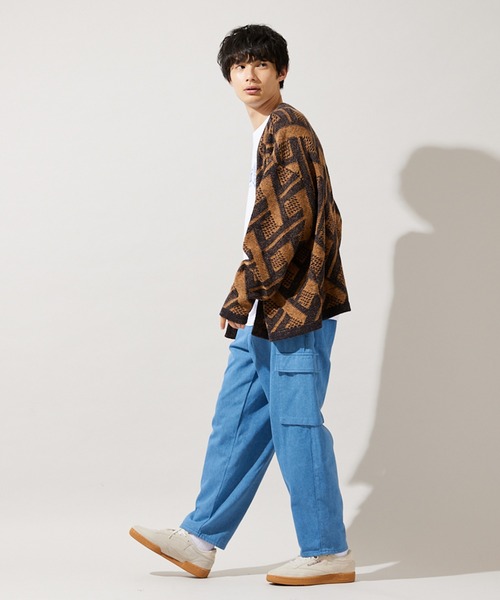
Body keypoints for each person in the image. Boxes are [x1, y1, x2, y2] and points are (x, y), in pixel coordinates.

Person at [130, 24, 354, 586]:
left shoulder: (288, 128)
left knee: (297, 424)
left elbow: (290, 223)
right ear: (228, 76)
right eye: (239, 66)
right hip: (266, 311)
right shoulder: (267, 133)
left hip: (293, 309)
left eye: (261, 64)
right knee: (235, 422)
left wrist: (243, 289)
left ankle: (327, 550)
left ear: (282, 72)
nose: (250, 75)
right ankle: (200, 538)